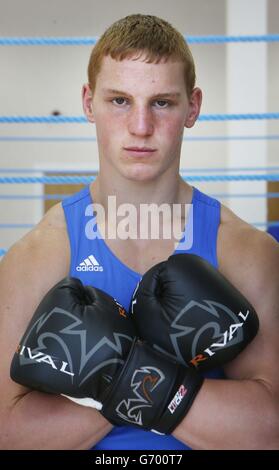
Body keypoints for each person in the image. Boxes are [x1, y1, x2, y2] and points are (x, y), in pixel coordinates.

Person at [0, 14, 278, 450]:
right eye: (120, 101)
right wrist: (139, 374)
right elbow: (7, 430)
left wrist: (119, 373)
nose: (141, 127)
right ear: (89, 103)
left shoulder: (244, 251)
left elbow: (268, 430)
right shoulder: (39, 254)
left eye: (162, 102)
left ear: (193, 106)